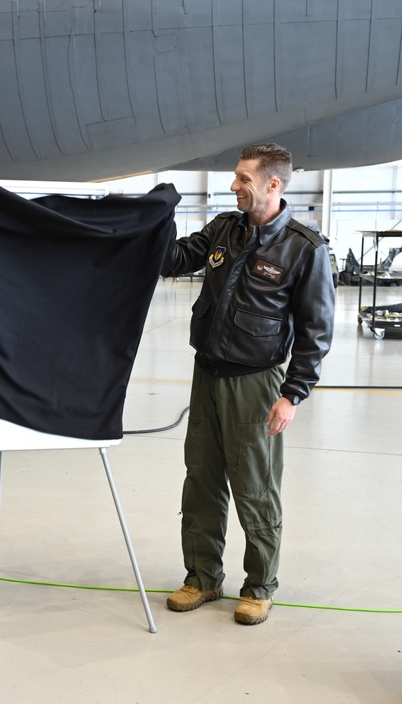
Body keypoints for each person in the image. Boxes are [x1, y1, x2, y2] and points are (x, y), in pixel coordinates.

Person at [159, 143, 335, 625]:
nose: (233, 186)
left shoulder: (304, 248)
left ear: (272, 184)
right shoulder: (224, 229)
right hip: (207, 375)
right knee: (201, 479)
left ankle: (259, 586)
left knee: (255, 488)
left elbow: (317, 331)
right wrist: (153, 220)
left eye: (243, 178)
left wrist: (292, 395)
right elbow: (176, 259)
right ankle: (202, 578)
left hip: (257, 383)